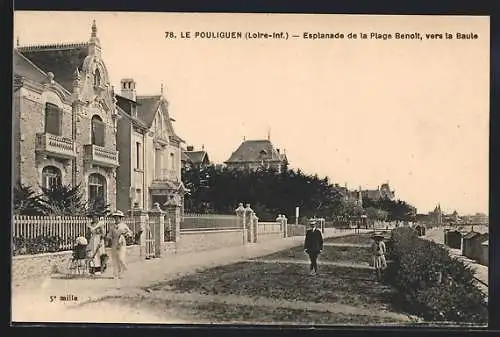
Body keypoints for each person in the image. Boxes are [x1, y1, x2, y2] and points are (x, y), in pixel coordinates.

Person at [106, 210, 133, 280]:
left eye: (118, 217)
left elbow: (130, 233)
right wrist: (108, 238)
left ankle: (124, 270)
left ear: (120, 218)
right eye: (115, 217)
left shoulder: (124, 226)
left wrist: (126, 234)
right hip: (114, 243)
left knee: (121, 258)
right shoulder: (112, 227)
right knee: (115, 260)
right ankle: (116, 274)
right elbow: (109, 235)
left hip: (122, 243)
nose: (116, 219)